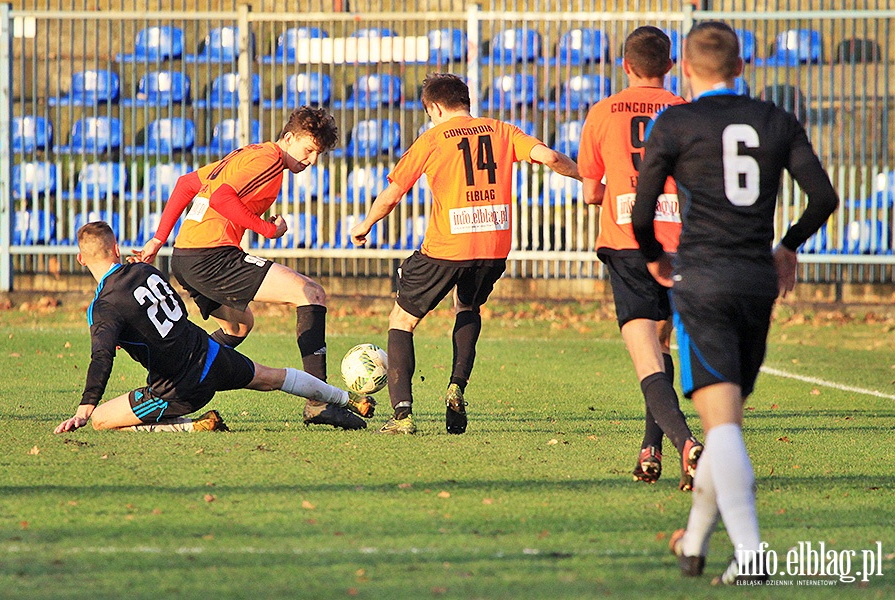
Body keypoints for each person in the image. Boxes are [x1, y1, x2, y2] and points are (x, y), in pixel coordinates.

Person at [631, 22, 838, 584]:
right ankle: (694, 544)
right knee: (726, 424)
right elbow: (823, 197)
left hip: (701, 282)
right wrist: (788, 246)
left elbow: (641, 212)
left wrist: (654, 257)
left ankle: (750, 555)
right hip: (754, 282)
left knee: (721, 429)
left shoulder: (676, 121)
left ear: (689, 72)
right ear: (741, 68)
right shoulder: (776, 120)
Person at [350, 73, 580, 435]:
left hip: (448, 245)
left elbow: (393, 193)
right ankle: (456, 386)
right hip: (493, 245)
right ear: (465, 101)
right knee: (468, 308)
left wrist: (365, 224)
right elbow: (549, 156)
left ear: (436, 108)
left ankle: (403, 416)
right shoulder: (502, 130)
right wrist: (585, 177)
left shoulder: (432, 138)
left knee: (402, 320)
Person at [129, 107, 362, 430]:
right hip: (210, 256)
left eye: (318, 155)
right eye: (308, 151)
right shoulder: (268, 160)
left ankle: (175, 381)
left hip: (186, 257)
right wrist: (267, 230)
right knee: (311, 292)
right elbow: (222, 198)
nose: (311, 161)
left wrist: (158, 239)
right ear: (289, 138)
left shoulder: (247, 154)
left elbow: (186, 184)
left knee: (239, 327)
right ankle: (319, 402)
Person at [55, 222, 376, 435]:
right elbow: (176, 310)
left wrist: (85, 408)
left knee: (102, 421)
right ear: (115, 249)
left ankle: (192, 426)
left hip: (180, 387)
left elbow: (102, 357)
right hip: (210, 353)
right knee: (272, 376)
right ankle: (347, 398)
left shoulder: (103, 307)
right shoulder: (143, 269)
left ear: (82, 259)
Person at [577, 26, 703, 491]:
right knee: (663, 345)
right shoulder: (688, 112)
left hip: (628, 241)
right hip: (678, 242)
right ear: (670, 67)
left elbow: (591, 191)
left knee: (646, 356)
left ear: (625, 66)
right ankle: (650, 450)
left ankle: (687, 444)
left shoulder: (603, 111)